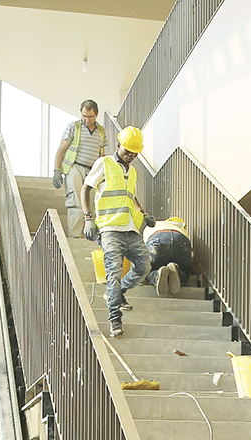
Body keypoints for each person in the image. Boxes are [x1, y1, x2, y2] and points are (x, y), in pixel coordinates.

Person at [80, 126, 156, 338]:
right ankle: (115, 319)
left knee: (144, 267)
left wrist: (143, 213)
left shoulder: (133, 171)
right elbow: (86, 188)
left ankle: (119, 292)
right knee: (113, 273)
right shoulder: (104, 163)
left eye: (135, 153)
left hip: (130, 228)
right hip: (110, 229)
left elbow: (129, 195)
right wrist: (88, 218)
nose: (131, 155)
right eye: (127, 151)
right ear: (118, 144)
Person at [52, 100, 105, 238]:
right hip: (75, 167)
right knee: (76, 203)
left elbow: (102, 154)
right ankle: (75, 236)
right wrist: (57, 170)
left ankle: (88, 235)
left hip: (93, 170)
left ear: (96, 114)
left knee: (91, 203)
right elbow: (61, 150)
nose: (87, 120)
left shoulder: (101, 131)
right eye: (84, 116)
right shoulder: (74, 127)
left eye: (90, 116)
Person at [144, 217, 192, 295]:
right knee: (185, 273)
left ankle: (157, 276)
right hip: (180, 240)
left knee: (147, 272)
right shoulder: (180, 226)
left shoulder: (150, 227)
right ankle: (177, 272)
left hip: (156, 241)